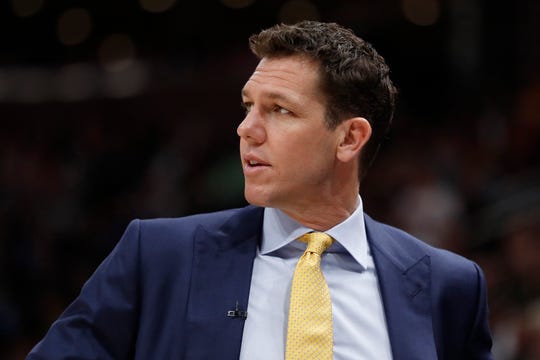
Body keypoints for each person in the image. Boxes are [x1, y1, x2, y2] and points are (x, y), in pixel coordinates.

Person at [27, 21, 493, 359]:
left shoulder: (448, 286)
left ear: (349, 139)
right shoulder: (158, 256)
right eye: (249, 105)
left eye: (280, 110)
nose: (246, 129)